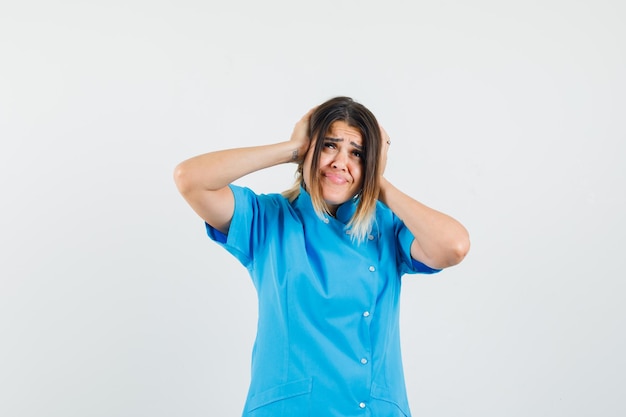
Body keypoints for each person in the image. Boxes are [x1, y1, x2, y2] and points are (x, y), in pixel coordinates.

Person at [173, 96, 470, 416]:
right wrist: (294, 149)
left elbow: (454, 246)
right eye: (329, 146)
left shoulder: (387, 228)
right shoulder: (268, 219)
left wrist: (375, 181)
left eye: (357, 153)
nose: (341, 162)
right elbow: (190, 179)